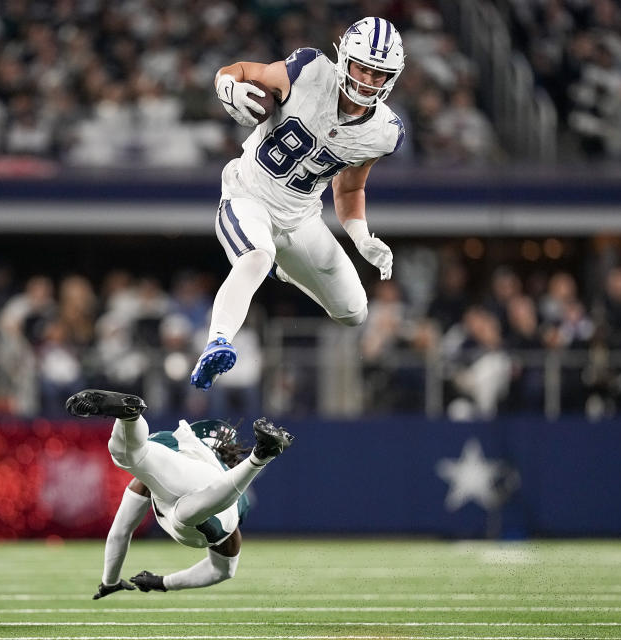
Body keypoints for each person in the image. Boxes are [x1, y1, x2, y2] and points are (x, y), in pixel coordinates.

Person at [190, 17, 406, 390]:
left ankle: (284, 266)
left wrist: (360, 234)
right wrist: (229, 88)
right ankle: (218, 342)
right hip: (248, 196)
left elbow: (350, 190)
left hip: (302, 217)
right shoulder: (307, 71)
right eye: (363, 68)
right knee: (255, 256)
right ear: (345, 59)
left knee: (354, 312)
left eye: (378, 74)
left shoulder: (383, 133)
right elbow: (237, 70)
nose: (368, 80)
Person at [64, 389, 293, 595]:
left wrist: (110, 580)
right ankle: (260, 457)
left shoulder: (176, 445)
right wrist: (164, 582)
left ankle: (131, 418)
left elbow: (120, 532)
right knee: (185, 515)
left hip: (181, 465)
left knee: (129, 455)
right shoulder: (225, 478)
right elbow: (222, 571)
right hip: (214, 494)